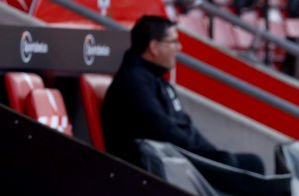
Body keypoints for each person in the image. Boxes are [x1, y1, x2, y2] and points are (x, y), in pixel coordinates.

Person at [102, 16, 265, 174]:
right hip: (152, 170)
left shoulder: (155, 78)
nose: (179, 47)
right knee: (251, 165)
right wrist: (208, 157)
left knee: (252, 163)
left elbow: (184, 126)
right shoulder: (133, 81)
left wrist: (212, 153)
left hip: (177, 160)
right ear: (154, 47)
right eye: (173, 42)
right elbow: (162, 131)